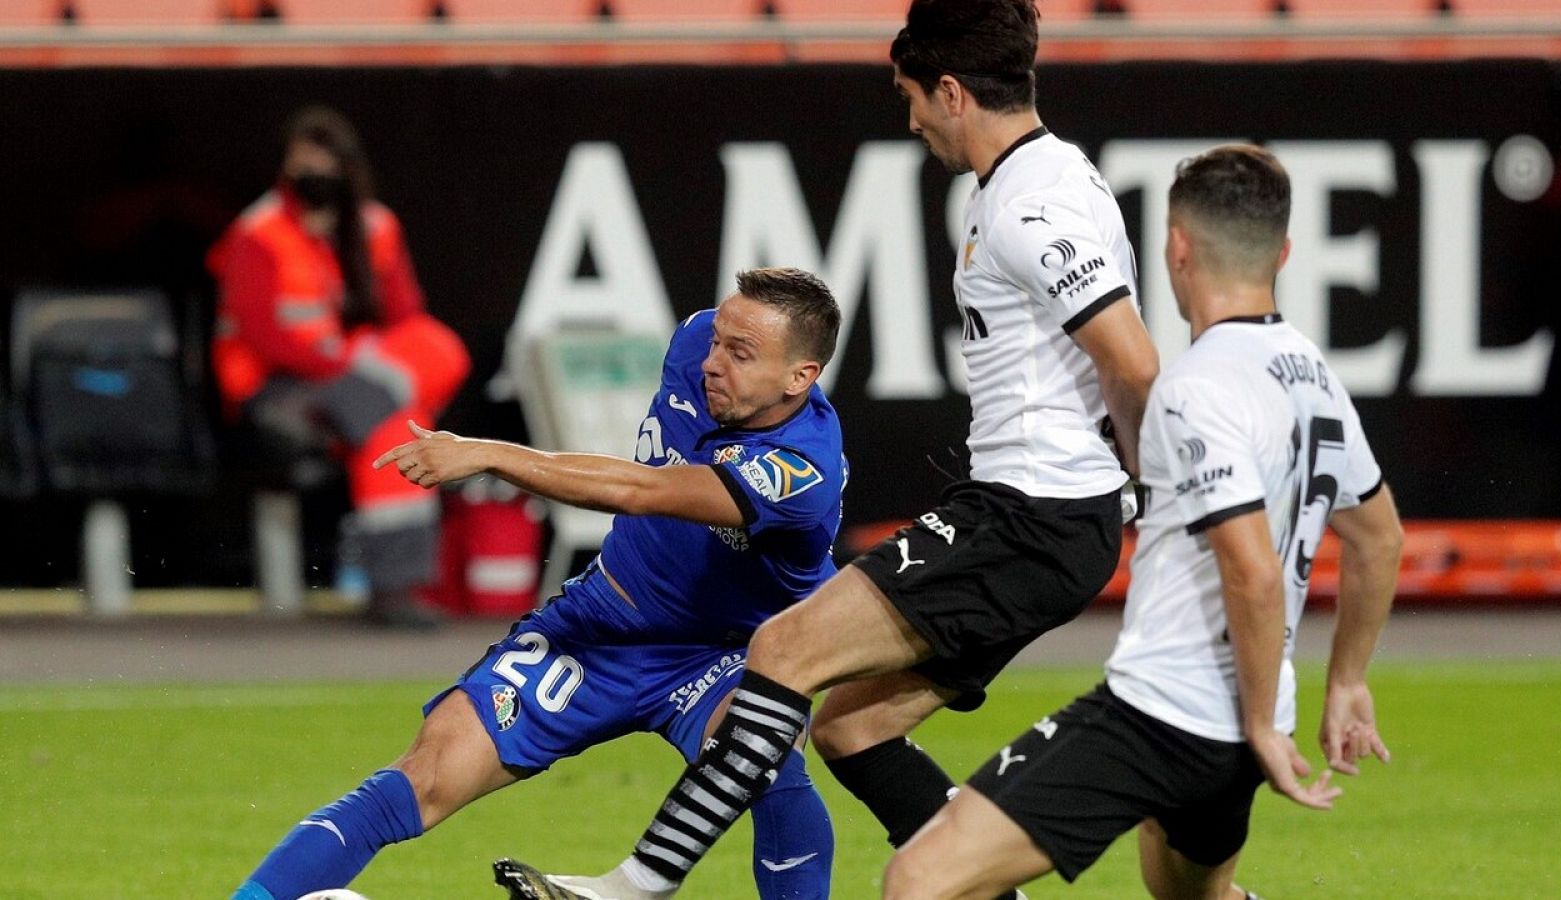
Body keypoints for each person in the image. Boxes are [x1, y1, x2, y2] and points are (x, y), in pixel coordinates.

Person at [506, 2, 1159, 897]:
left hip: (1030, 512)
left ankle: (635, 886)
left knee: (782, 649)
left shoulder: (1033, 207)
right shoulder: (1042, 180)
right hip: (1043, 516)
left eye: (912, 97)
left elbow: (1134, 361)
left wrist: (1162, 504)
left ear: (954, 91)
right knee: (853, 726)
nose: (912, 118)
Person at [882, 145, 1406, 900]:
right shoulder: (1311, 373)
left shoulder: (1194, 388)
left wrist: (1262, 724)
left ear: (1177, 247)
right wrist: (1347, 679)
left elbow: (1251, 569)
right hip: (1243, 726)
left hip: (1166, 714)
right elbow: (1378, 537)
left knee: (919, 881)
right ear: (1284, 252)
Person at [228, 267, 845, 900]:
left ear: (801, 377)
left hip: (724, 651)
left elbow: (643, 490)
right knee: (426, 776)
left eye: (741, 354)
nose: (714, 362)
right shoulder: (694, 342)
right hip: (599, 626)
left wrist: (490, 453)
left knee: (767, 767)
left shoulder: (802, 470)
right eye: (718, 340)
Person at [207, 105, 470, 627]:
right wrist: (341, 359)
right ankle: (393, 592)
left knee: (435, 356)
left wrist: (348, 249)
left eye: (326, 164)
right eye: (304, 163)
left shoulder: (374, 225)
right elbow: (263, 335)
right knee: (397, 423)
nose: (315, 176)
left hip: (353, 381)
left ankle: (396, 589)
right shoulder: (258, 231)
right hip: (276, 387)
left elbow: (404, 316)